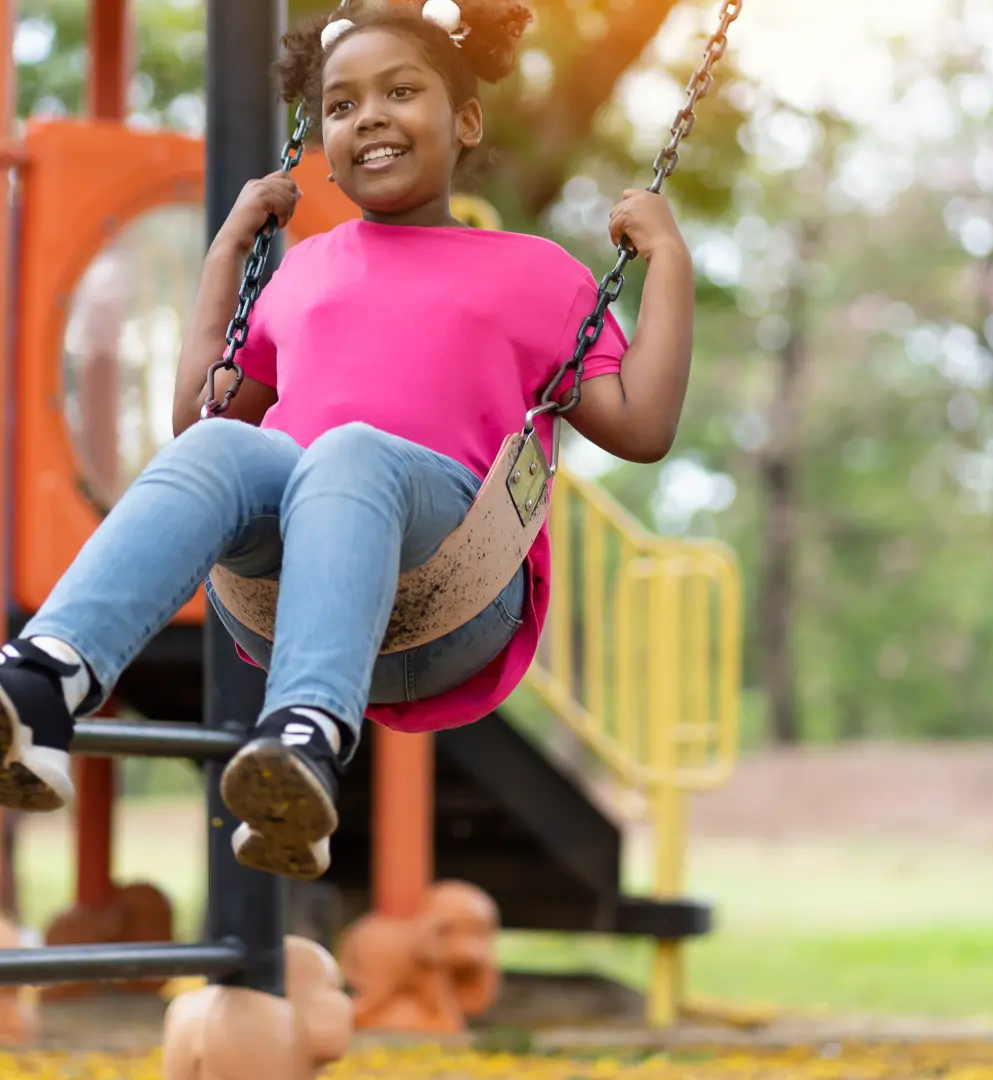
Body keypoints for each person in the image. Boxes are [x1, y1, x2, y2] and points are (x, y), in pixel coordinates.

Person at [0, 0, 695, 880]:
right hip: (293, 588)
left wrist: (666, 259)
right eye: (340, 104)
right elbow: (201, 424)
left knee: (349, 449)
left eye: (401, 91)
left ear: (465, 119)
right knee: (223, 452)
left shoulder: (535, 274)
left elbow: (641, 426)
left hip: (456, 586)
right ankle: (45, 681)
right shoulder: (306, 270)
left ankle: (305, 738)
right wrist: (229, 254)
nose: (367, 115)